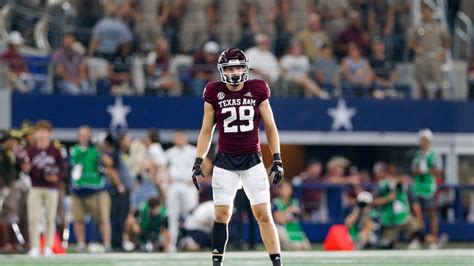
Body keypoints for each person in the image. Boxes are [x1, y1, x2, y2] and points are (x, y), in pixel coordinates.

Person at [191, 48, 284, 266]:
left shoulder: (258, 88)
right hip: (225, 162)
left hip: (252, 160)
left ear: (245, 68)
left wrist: (277, 158)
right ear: (222, 70)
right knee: (221, 214)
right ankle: (217, 263)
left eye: (237, 67)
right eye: (229, 68)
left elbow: (271, 127)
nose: (233, 72)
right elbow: (206, 130)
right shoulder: (213, 91)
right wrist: (198, 160)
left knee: (263, 213)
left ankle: (277, 263)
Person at [23, 121, 66, 257]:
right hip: (35, 187)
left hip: (51, 188)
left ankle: (48, 246)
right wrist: (26, 169)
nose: (41, 134)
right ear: (35, 133)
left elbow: (64, 170)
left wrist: (56, 177)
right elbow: (25, 168)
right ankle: (35, 246)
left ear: (49, 133)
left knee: (50, 218)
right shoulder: (30, 150)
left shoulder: (55, 150)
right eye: (39, 131)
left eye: (44, 131)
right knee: (33, 218)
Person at [69, 126, 112, 253]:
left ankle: (107, 244)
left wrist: (102, 150)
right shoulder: (73, 150)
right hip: (78, 189)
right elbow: (70, 167)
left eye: (86, 134)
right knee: (78, 219)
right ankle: (81, 244)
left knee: (103, 219)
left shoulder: (97, 150)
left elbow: (109, 163)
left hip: (96, 189)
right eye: (81, 134)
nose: (83, 137)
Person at [165, 130, 198, 252]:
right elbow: (163, 168)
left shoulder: (193, 151)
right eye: (176, 137)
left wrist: (196, 178)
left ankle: (190, 239)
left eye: (180, 137)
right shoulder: (170, 153)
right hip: (174, 185)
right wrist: (165, 178)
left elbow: (206, 165)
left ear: (185, 138)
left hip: (188, 186)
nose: (178, 139)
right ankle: (172, 243)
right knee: (172, 214)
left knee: (190, 215)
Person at [411, 129, 444, 249]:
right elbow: (413, 169)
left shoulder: (434, 154)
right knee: (416, 214)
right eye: (421, 140)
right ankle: (417, 238)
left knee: (431, 214)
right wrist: (418, 171)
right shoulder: (418, 154)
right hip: (417, 187)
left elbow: (439, 171)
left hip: (429, 188)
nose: (423, 142)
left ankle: (434, 239)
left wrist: (426, 171)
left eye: (425, 140)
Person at [272, 182, 311, 251]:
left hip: (294, 228)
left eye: (288, 188)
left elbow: (302, 217)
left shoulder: (295, 202)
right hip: (282, 228)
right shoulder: (276, 202)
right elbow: (279, 220)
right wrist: (289, 210)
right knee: (297, 247)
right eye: (284, 188)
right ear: (279, 190)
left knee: (306, 247)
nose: (287, 190)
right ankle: (280, 245)